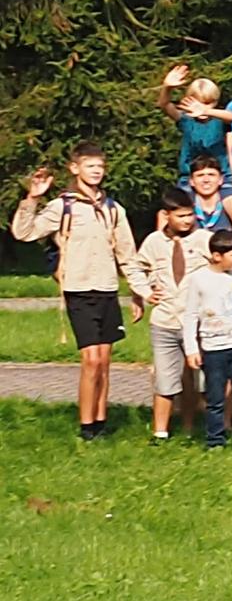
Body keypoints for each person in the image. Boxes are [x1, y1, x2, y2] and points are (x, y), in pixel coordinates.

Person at [18, 145, 135, 439]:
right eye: (89, 166)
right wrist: (33, 197)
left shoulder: (113, 209)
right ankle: (86, 427)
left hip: (107, 288)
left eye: (100, 166)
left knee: (105, 361)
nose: (96, 171)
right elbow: (24, 232)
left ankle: (101, 422)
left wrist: (138, 291)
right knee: (90, 360)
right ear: (75, 168)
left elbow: (127, 254)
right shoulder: (63, 206)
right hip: (78, 290)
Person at [177, 231, 232, 451]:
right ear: (216, 256)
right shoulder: (199, 279)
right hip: (214, 348)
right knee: (215, 397)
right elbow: (191, 315)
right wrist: (191, 349)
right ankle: (215, 439)